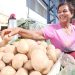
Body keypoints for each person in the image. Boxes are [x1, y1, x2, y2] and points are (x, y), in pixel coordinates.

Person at [1, 2, 75, 58]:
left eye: (64, 11)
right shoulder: (53, 29)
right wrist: (19, 30)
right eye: (59, 12)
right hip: (63, 63)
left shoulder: (74, 28)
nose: (61, 14)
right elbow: (36, 34)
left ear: (71, 14)